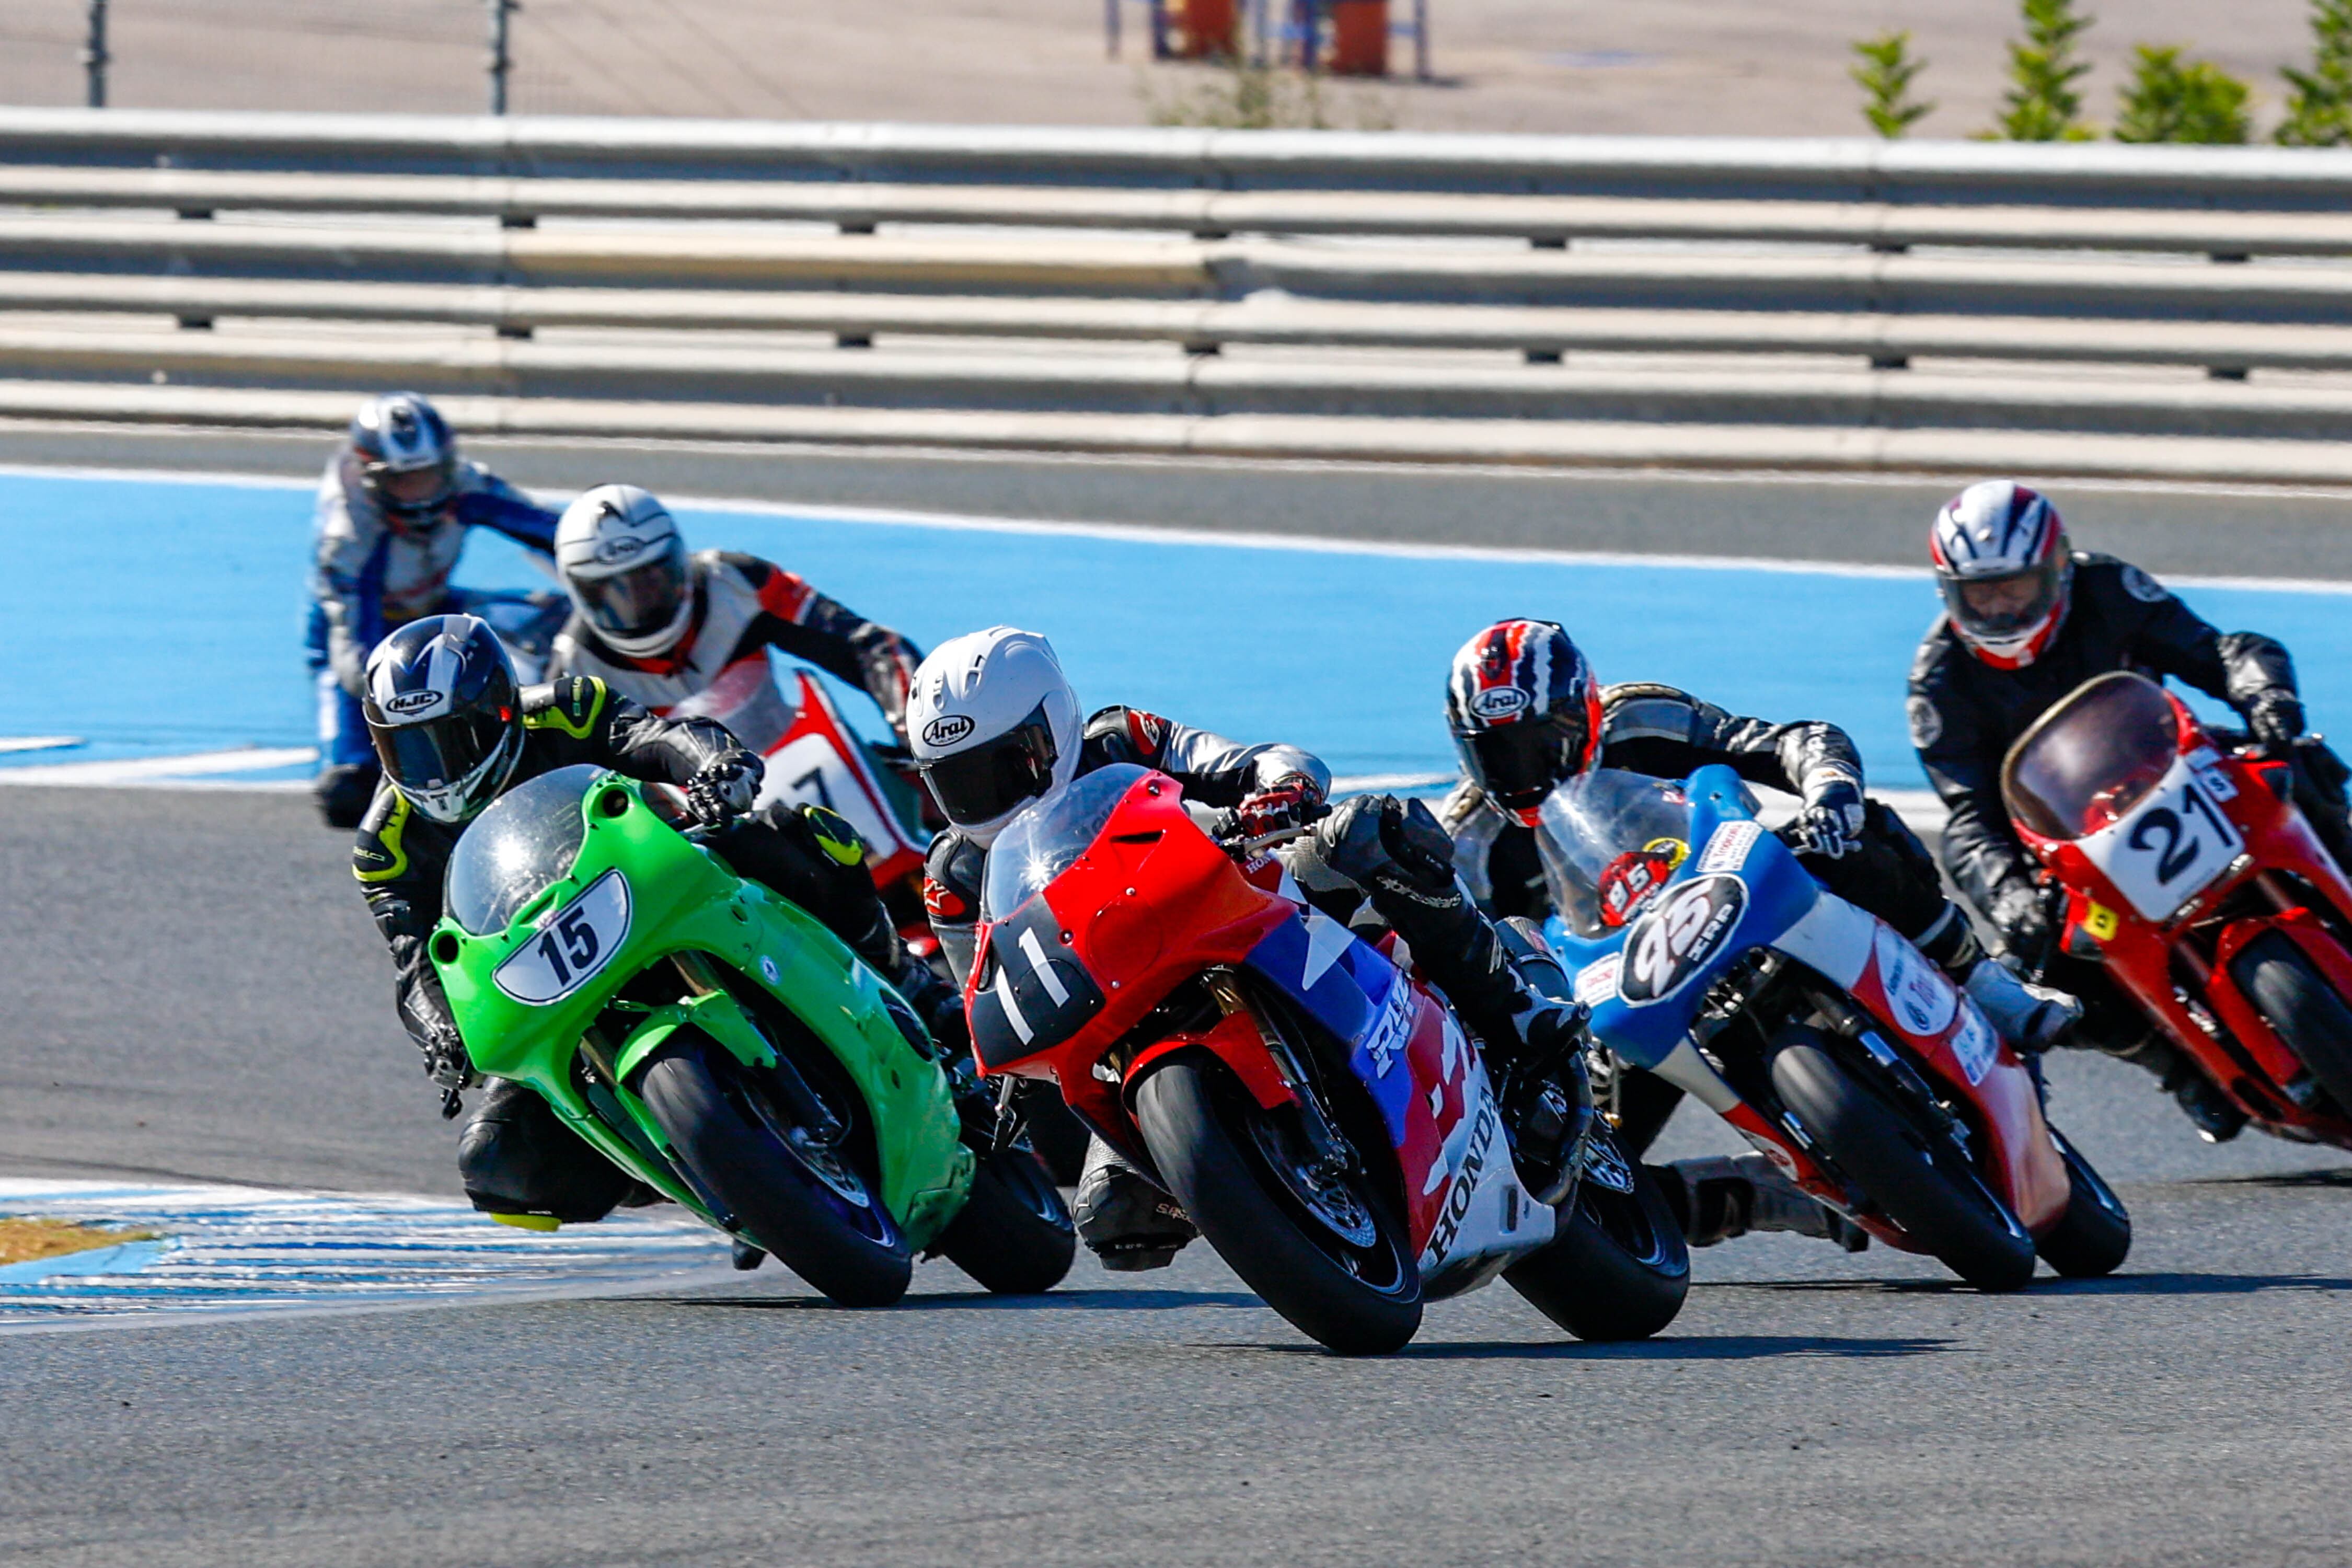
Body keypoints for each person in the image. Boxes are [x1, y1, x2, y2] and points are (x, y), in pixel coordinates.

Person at [907, 626, 1592, 1271]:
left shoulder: (1120, 742)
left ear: (1052, 727)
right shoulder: (954, 879)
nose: (980, 798)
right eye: (955, 779)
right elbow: (988, 993)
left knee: (1368, 833)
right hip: (1119, 1019)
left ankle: (1514, 1012)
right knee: (1114, 1218)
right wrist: (999, 1079)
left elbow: (1247, 762)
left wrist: (1278, 790)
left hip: (1246, 895)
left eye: (1001, 767)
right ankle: (1259, 1172)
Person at [1440, 617, 2078, 1251]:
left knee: (1855, 835)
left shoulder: (1640, 718)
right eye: (1496, 753)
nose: (1521, 772)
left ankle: (1985, 983)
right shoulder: (1470, 842)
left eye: (1538, 744)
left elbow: (1791, 741)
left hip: (1723, 896)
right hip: (1610, 993)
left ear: (1583, 712)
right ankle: (1750, 1195)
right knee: (1567, 1175)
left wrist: (1830, 792)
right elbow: (1461, 962)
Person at [351, 613, 968, 1225]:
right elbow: (415, 963)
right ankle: (696, 1165)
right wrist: (439, 1032)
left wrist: (714, 768)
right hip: (540, 975)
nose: (432, 767)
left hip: (653, 886)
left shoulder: (569, 708)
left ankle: (914, 987)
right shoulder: (387, 847)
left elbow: (661, 739)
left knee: (796, 837)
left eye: (447, 738)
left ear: (500, 711)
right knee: (496, 1161)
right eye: (402, 746)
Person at [1912, 479, 2352, 1141]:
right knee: (2042, 964)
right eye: (1981, 592)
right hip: (2071, 848)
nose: (2001, 606)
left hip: (2172, 769)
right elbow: (1970, 817)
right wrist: (2008, 894)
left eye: (2016, 587)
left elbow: (2221, 652)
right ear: (1950, 592)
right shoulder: (1939, 680)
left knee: (2295, 763)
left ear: (2056, 567)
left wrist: (2266, 698)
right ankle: (2177, 1068)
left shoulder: (2108, 589)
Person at [307, 393, 565, 828]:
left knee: (556, 615)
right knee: (348, 792)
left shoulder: (465, 486)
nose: (422, 494)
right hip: (362, 626)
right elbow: (354, 655)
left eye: (430, 476)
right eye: (404, 482)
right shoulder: (349, 535)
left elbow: (552, 530)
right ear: (373, 479)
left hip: (435, 607)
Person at [546, 483, 924, 740]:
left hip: (797, 764)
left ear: (678, 559)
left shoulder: (738, 582)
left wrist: (913, 727)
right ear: (579, 592)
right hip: (684, 826)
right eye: (612, 592)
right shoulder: (574, 666)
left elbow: (869, 646)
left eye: (650, 579)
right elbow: (557, 777)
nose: (636, 602)